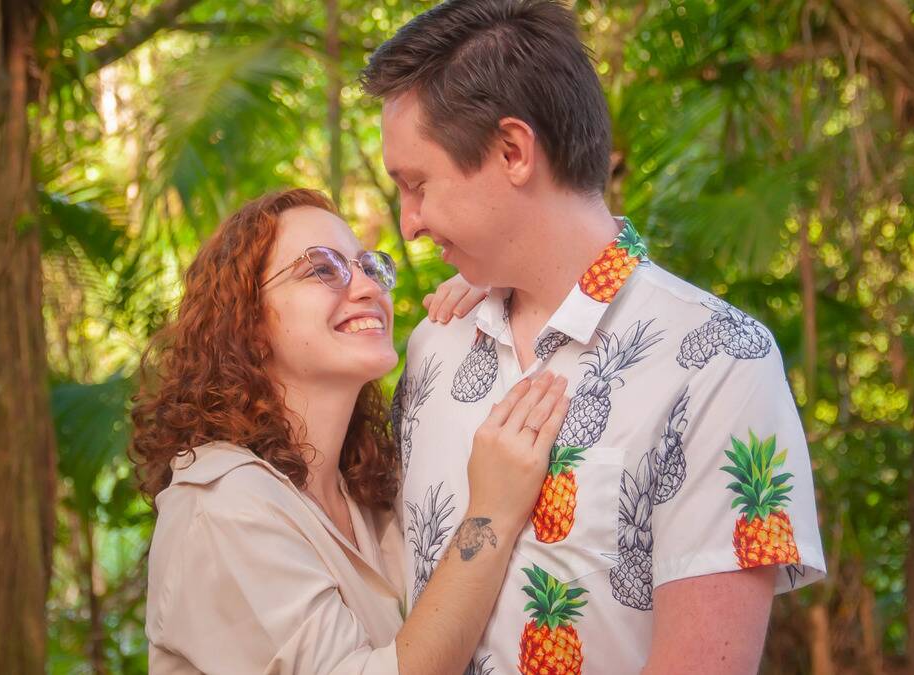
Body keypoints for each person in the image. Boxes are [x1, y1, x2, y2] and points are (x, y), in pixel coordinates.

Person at [361, 1, 826, 673]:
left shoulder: (720, 361)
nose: (409, 224)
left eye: (416, 186)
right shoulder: (434, 347)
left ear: (512, 151)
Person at [131, 187, 570, 674]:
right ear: (248, 326)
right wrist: (491, 513)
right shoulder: (219, 506)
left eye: (367, 266)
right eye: (321, 268)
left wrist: (499, 294)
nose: (366, 287)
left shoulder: (365, 493)